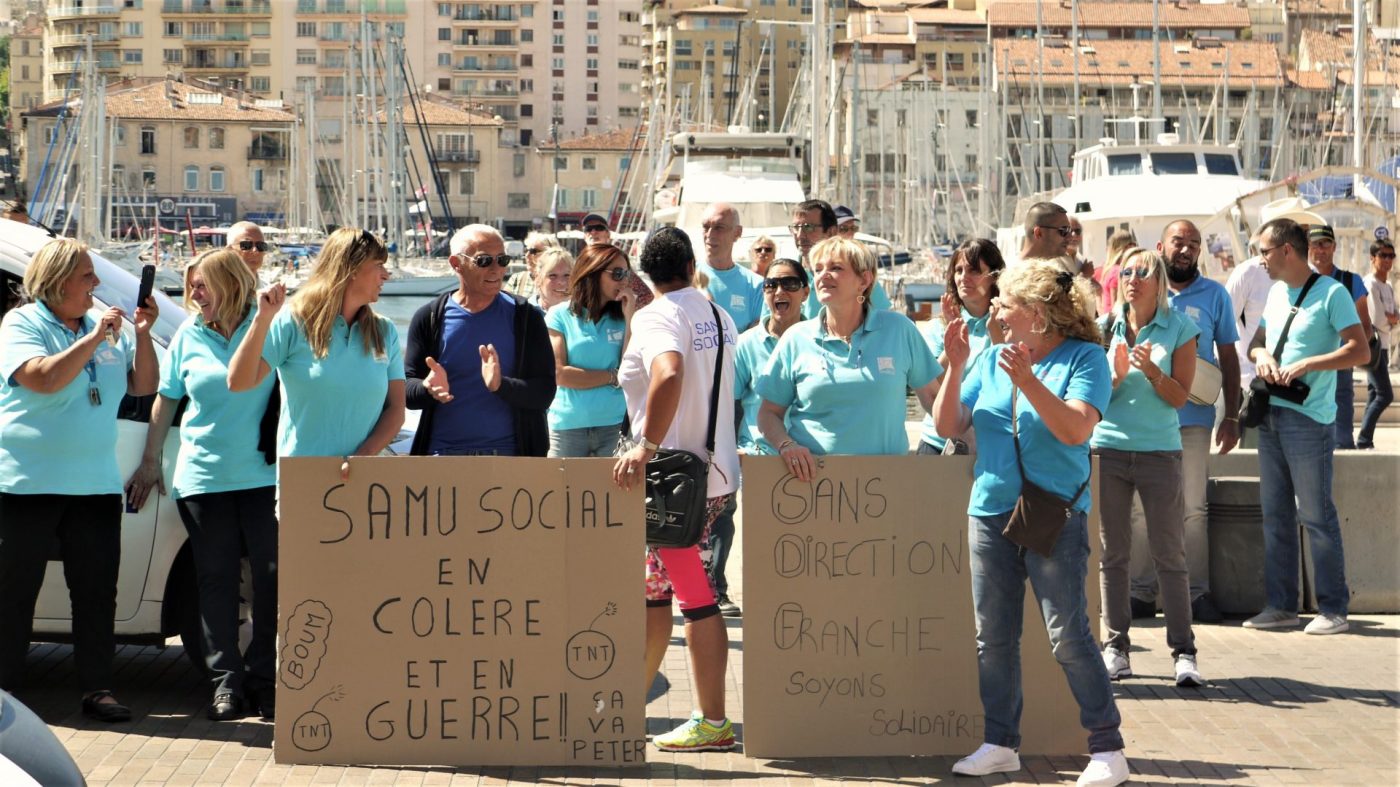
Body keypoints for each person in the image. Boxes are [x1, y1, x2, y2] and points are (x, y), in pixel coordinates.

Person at [933, 261, 1127, 787]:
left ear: (1037, 315)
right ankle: (1000, 744)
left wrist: (1029, 383)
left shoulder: (1086, 358)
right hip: (989, 510)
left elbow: (1074, 430)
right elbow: (949, 426)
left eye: (1006, 302)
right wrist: (955, 367)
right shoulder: (992, 358)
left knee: (1068, 636)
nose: (996, 307)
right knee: (992, 638)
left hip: (1053, 514)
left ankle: (1108, 747)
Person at [0, 238, 159, 722]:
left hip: (92, 485)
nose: (95, 285)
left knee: (95, 592)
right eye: (87, 276)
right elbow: (44, 378)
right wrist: (91, 340)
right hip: (26, 484)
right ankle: (6, 697)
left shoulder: (104, 325)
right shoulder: (21, 323)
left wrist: (145, 333)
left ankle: (98, 688)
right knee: (12, 592)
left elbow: (144, 385)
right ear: (57, 280)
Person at [124, 249, 278, 721]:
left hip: (264, 478)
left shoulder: (270, 326)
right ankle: (225, 684)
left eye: (201, 285)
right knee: (215, 582)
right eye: (191, 285)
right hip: (203, 478)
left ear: (231, 283)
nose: (193, 294)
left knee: (273, 580)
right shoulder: (189, 334)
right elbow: (166, 401)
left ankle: (266, 679)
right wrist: (150, 461)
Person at [612, 227, 740, 752]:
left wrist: (645, 444)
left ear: (646, 272)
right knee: (654, 594)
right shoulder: (717, 314)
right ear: (690, 264)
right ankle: (629, 704)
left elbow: (669, 371)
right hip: (712, 475)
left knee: (695, 600)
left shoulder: (657, 315)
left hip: (673, 487)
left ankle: (713, 722)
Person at [1242, 218, 1368, 635]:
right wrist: (1262, 357)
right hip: (1271, 413)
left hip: (1309, 418)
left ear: (1287, 251)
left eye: (1264, 251)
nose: (1260, 259)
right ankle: (1281, 606)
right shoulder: (1277, 292)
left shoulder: (1333, 293)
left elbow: (1359, 349)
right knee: (1275, 515)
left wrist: (1309, 363)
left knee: (1315, 515)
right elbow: (1258, 339)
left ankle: (1334, 609)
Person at [1091, 248, 1202, 688]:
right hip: (1109, 451)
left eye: (1142, 272)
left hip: (1159, 451)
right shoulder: (1103, 328)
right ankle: (1115, 647)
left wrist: (1154, 372)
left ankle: (1185, 652)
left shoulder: (1180, 329)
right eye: (1126, 272)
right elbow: (1091, 395)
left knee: (1168, 554)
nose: (1132, 279)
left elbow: (1181, 398)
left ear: (1158, 282)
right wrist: (1115, 377)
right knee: (1112, 555)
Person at [1127, 221, 1241, 624]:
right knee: (1140, 510)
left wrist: (1232, 415)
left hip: (1194, 419)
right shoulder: (1141, 290)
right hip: (1145, 419)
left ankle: (1197, 594)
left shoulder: (1216, 295)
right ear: (1162, 246)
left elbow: (1228, 358)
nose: (1187, 249)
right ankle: (1139, 593)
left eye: (1194, 244)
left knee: (1194, 508)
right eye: (1179, 242)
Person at [228, 227, 405, 476]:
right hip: (304, 482)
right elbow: (238, 382)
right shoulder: (292, 321)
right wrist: (262, 319)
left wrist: (361, 458)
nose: (386, 275)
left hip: (368, 481)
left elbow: (396, 410)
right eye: (379, 264)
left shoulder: (384, 331)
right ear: (351, 268)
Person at [757, 236, 942, 472]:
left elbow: (933, 400)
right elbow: (768, 414)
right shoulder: (795, 338)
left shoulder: (900, 329)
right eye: (818, 269)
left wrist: (968, 438)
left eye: (836, 268)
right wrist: (786, 445)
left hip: (888, 483)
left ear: (864, 280)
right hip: (812, 485)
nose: (823, 275)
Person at [405, 224, 554, 457]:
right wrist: (427, 388)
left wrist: (500, 385)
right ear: (456, 264)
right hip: (442, 455)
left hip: (510, 456)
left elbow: (545, 392)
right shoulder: (429, 318)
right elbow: (405, 392)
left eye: (502, 260)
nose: (497, 269)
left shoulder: (526, 317)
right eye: (484, 261)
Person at [545, 243, 636, 458]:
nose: (624, 281)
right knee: (561, 492)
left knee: (614, 492)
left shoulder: (624, 317)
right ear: (593, 272)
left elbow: (629, 371)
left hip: (614, 426)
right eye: (617, 273)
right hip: (567, 427)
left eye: (626, 273)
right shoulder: (559, 315)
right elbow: (560, 374)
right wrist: (612, 377)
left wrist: (631, 316)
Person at [916, 238, 1005, 455]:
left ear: (995, 276)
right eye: (958, 270)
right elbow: (931, 385)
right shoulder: (938, 327)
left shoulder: (1008, 323)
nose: (964, 277)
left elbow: (1009, 381)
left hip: (987, 442)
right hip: (937, 442)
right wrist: (953, 343)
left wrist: (996, 332)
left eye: (974, 270)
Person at [1307, 225, 1372, 449]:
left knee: (1342, 442)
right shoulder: (1301, 283)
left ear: (1334, 247)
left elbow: (1366, 327)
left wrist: (1347, 353)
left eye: (1325, 243)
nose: (1320, 249)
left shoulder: (1351, 281)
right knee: (1307, 443)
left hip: (1340, 371)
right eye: (1315, 244)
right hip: (1308, 371)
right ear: (1308, 247)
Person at [788, 199, 890, 317]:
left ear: (831, 231)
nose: (800, 235)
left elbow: (884, 321)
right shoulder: (784, 274)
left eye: (808, 227)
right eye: (795, 227)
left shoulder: (855, 275)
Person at [698, 203, 764, 332]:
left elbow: (754, 338)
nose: (710, 234)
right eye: (706, 227)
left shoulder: (756, 285)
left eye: (719, 227)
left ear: (737, 233)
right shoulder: (685, 277)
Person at [1359, 239, 1396, 448]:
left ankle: (1365, 441)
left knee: (1374, 393)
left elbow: (1394, 318)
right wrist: (1391, 320)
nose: (1387, 260)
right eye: (1383, 255)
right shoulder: (1369, 283)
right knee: (1385, 394)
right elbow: (1377, 319)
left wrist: (1392, 320)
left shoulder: (1388, 286)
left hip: (1383, 345)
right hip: (1372, 346)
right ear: (1372, 258)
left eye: (1391, 256)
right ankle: (1364, 438)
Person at [508, 231, 561, 299]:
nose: (527, 255)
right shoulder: (517, 279)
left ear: (551, 254)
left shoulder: (563, 281)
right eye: (526, 250)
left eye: (533, 251)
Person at [1096, 230, 1138, 316]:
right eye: (1132, 245)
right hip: (1114, 322)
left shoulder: (1108, 268)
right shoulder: (1118, 271)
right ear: (1125, 247)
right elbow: (1116, 304)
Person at [532, 247, 573, 313]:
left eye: (567, 275)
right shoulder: (524, 314)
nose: (561, 282)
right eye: (553, 275)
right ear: (538, 279)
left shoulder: (586, 315)